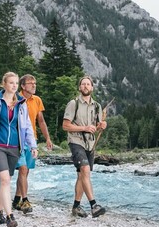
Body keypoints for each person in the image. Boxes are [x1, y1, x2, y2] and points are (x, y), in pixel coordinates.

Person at [0, 72, 38, 227]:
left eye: (15, 83)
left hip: (14, 148)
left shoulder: (21, 103)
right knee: (5, 179)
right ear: (4, 84)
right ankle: (9, 216)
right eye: (10, 83)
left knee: (5, 181)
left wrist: (32, 146)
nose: (13, 85)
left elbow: (26, 127)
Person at [62, 75, 107, 218]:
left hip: (90, 144)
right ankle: (94, 205)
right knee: (85, 170)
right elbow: (65, 125)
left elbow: (97, 126)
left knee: (82, 175)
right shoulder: (73, 104)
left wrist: (102, 126)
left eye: (88, 84)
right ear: (79, 87)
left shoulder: (97, 106)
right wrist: (85, 128)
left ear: (92, 88)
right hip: (76, 141)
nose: (86, 86)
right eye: (83, 84)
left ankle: (76, 207)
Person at [13, 74, 53, 214]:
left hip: (32, 140)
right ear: (23, 86)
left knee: (26, 171)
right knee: (23, 169)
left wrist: (47, 138)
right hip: (17, 139)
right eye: (30, 83)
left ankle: (16, 200)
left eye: (35, 83)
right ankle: (24, 200)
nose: (34, 85)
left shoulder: (37, 100)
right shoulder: (15, 99)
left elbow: (41, 121)